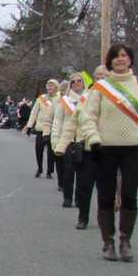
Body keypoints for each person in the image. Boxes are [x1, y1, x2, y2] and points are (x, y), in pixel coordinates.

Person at [81, 45, 138, 261]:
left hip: (134, 148)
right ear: (110, 61)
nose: (120, 59)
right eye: (115, 56)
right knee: (106, 196)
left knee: (129, 195)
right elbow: (88, 117)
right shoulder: (100, 88)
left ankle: (126, 241)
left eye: (123, 56)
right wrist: (94, 140)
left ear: (130, 60)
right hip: (105, 148)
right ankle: (108, 242)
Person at [57, 65, 108, 230]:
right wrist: (61, 144)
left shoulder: (118, 98)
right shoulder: (86, 98)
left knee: (106, 189)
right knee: (84, 187)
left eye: (104, 76)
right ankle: (83, 217)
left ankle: (104, 219)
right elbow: (71, 124)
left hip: (108, 149)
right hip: (86, 148)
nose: (101, 79)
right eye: (98, 76)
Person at [52, 74, 85, 208]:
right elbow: (58, 121)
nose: (76, 83)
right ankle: (67, 197)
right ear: (70, 85)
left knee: (82, 173)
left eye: (79, 81)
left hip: (83, 140)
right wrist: (55, 140)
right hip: (68, 140)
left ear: (83, 83)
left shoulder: (89, 99)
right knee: (68, 171)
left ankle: (79, 199)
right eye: (73, 81)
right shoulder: (64, 101)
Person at [23, 79, 59, 178]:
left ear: (56, 88)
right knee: (38, 149)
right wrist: (29, 126)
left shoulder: (60, 98)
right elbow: (34, 112)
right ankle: (40, 168)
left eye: (52, 86)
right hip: (41, 128)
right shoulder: (41, 98)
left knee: (51, 152)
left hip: (53, 128)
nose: (50, 88)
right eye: (48, 86)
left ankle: (49, 171)